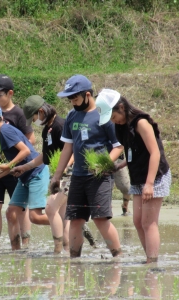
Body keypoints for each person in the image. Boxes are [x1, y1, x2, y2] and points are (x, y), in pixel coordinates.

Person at [50, 75, 123, 258]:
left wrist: (103, 164)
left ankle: (118, 258)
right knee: (75, 219)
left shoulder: (104, 114)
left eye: (75, 98)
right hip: (78, 176)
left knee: (100, 219)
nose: (72, 102)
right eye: (70, 99)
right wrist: (57, 176)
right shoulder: (72, 116)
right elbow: (68, 146)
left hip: (99, 177)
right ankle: (74, 262)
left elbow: (118, 146)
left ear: (87, 95)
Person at [96, 88, 171, 263]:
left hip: (154, 175)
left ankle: (152, 262)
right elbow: (133, 153)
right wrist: (119, 165)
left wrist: (150, 184)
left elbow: (155, 153)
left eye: (114, 117)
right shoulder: (121, 127)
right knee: (137, 221)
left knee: (148, 223)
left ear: (121, 107)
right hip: (138, 176)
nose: (114, 121)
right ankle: (149, 258)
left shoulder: (141, 122)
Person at [0, 104, 49, 250]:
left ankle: (67, 221)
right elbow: (11, 167)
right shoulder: (3, 131)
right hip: (24, 176)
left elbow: (25, 151)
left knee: (36, 217)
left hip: (36, 173)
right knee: (11, 211)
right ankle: (16, 250)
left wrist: (8, 165)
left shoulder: (5, 131)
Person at [12, 95, 71, 253]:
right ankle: (67, 251)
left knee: (51, 209)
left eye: (34, 117)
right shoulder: (48, 130)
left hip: (68, 173)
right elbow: (45, 157)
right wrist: (25, 167)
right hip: (57, 174)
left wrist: (65, 168)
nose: (35, 122)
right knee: (63, 215)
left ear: (41, 111)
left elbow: (72, 149)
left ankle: (58, 250)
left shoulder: (60, 125)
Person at [0, 75, 34, 247]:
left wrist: (11, 154)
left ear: (10, 93)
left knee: (18, 209)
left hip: (14, 168)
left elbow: (29, 141)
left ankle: (24, 241)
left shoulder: (18, 114)